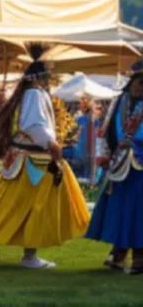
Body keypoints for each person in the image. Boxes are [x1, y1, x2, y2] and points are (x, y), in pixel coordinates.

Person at [0, 43, 90, 269]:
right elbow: (34, 125)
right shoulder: (35, 94)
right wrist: (50, 143)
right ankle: (29, 256)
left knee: (9, 204)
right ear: (43, 77)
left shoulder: (25, 94)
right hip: (35, 161)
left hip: (19, 159)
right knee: (35, 207)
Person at [86, 60, 143, 273]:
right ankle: (118, 253)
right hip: (119, 164)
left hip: (140, 165)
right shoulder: (119, 102)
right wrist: (104, 155)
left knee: (139, 212)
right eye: (138, 81)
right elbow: (104, 130)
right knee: (120, 210)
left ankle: (139, 257)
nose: (141, 86)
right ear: (131, 82)